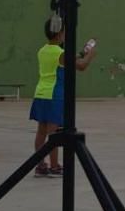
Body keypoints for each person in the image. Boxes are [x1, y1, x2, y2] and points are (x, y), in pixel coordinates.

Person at [31, 19, 97, 177]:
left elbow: (70, 59)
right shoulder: (60, 53)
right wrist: (90, 56)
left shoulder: (42, 50)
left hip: (41, 93)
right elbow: (81, 66)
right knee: (53, 134)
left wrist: (81, 53)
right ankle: (54, 166)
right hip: (55, 94)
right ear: (59, 33)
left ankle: (41, 166)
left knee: (41, 131)